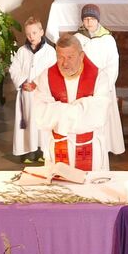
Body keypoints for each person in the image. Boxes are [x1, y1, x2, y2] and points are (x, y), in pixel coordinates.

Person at [32, 34, 115, 172]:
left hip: (91, 151)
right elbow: (40, 115)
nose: (65, 63)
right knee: (59, 185)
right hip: (58, 149)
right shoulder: (46, 77)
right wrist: (81, 108)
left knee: (90, 186)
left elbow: (98, 116)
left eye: (70, 57)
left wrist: (58, 112)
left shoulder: (99, 77)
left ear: (81, 56)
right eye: (60, 57)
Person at [76, 4, 125, 157]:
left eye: (92, 19)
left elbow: (113, 63)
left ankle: (106, 146)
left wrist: (104, 84)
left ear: (98, 20)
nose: (89, 22)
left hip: (103, 85)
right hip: (84, 86)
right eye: (86, 19)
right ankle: (87, 145)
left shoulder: (107, 39)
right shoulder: (77, 38)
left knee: (105, 117)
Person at [10, 16, 57, 165]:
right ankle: (27, 152)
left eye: (35, 33)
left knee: (41, 122)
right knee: (27, 122)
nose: (31, 37)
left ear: (41, 32)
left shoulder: (50, 52)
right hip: (26, 94)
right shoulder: (22, 51)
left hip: (42, 94)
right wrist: (23, 81)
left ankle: (42, 150)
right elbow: (14, 69)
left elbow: (52, 71)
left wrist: (36, 83)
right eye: (28, 34)